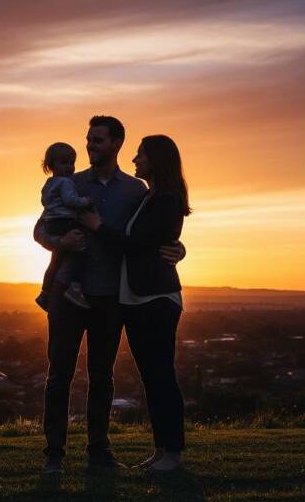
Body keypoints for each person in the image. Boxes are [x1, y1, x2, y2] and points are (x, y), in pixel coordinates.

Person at [33, 116, 186, 475]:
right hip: (67, 295)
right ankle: (54, 453)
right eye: (88, 140)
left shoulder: (136, 191)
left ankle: (98, 451)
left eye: (97, 140)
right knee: (59, 375)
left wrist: (177, 248)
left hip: (110, 298)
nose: (89, 146)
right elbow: (40, 227)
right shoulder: (69, 182)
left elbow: (150, 231)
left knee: (102, 377)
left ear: (116, 143)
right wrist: (59, 241)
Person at [81, 134, 190, 472]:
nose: (134, 160)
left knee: (161, 377)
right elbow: (154, 241)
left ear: (156, 159)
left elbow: (136, 243)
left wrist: (98, 226)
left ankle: (172, 453)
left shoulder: (166, 199)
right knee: (152, 378)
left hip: (155, 299)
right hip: (139, 300)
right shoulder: (151, 197)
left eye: (140, 154)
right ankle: (162, 451)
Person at [36, 142, 93, 311]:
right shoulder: (67, 183)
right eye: (65, 163)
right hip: (64, 223)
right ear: (51, 165)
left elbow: (45, 203)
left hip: (52, 223)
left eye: (72, 163)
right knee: (80, 250)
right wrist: (86, 202)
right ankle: (75, 287)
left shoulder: (48, 184)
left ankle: (45, 292)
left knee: (55, 260)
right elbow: (70, 201)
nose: (70, 167)